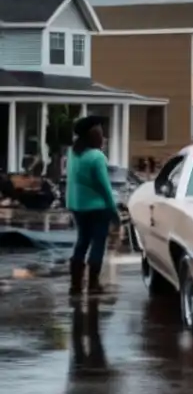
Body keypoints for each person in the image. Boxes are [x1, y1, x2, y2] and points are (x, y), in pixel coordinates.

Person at [66, 115, 119, 296]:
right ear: (95, 135)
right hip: (98, 208)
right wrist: (113, 211)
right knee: (98, 244)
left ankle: (75, 284)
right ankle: (93, 284)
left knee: (82, 242)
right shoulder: (97, 157)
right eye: (101, 132)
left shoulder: (73, 153)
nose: (103, 135)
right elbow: (104, 187)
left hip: (77, 206)